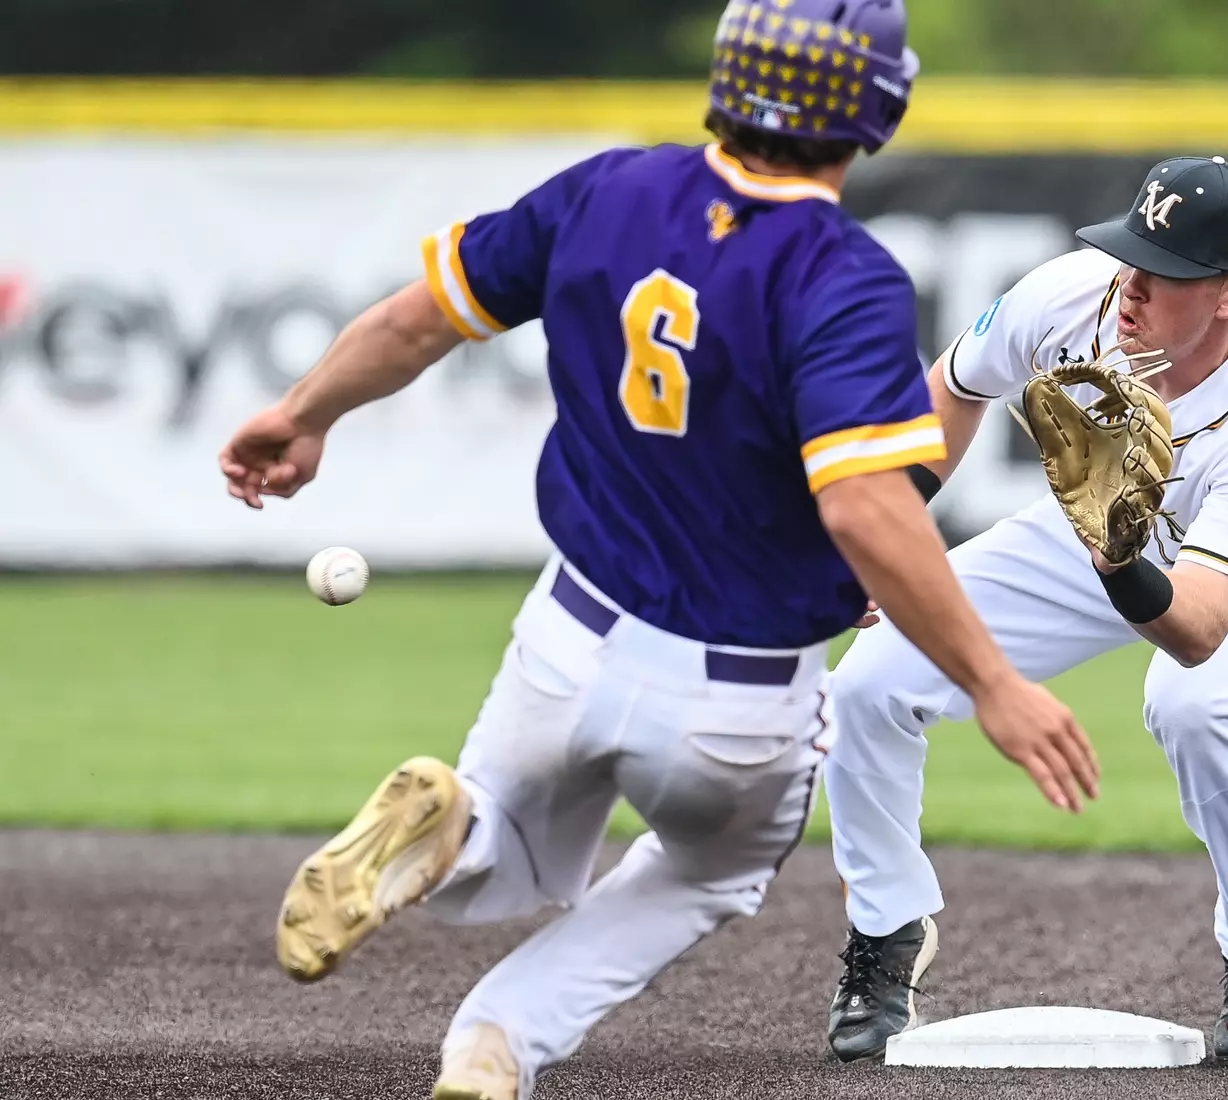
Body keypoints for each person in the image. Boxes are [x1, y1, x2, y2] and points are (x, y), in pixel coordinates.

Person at [216, 2, 1099, 1097]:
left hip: (568, 632)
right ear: (877, 107)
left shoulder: (608, 191)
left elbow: (417, 321)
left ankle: (459, 830)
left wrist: (304, 414)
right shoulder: (843, 276)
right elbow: (868, 509)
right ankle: (495, 1039)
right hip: (736, 702)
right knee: (708, 873)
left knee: (503, 840)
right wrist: (994, 680)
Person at [823, 156, 1228, 1064]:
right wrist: (893, 538)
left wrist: (1115, 551)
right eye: (1129, 255)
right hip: (1097, 531)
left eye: (1165, 274)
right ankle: (886, 933)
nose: (1132, 286)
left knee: (1195, 704)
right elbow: (954, 388)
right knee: (868, 683)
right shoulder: (1068, 297)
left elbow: (1194, 629)